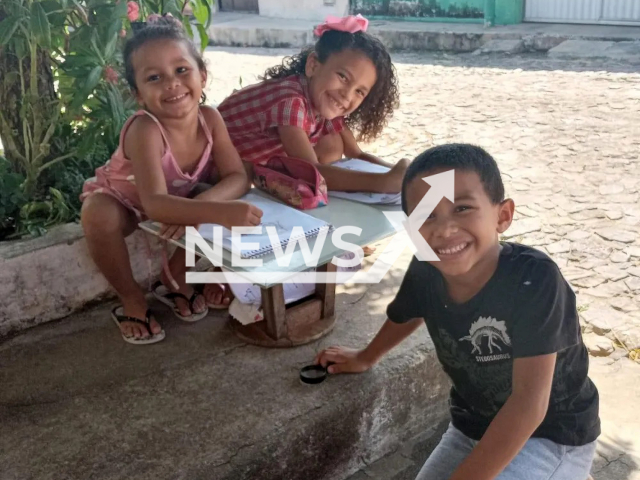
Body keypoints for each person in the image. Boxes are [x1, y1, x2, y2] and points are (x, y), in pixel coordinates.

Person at [315, 144, 600, 479]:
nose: (444, 229)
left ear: (503, 215)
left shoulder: (535, 280)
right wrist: (366, 356)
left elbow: (528, 405)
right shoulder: (426, 268)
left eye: (462, 208)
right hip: (472, 424)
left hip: (554, 433)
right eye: (426, 215)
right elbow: (407, 313)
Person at [80, 16, 262, 345]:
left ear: (202, 75)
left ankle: (175, 276)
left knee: (214, 193)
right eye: (154, 77)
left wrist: (201, 205)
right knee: (96, 213)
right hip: (126, 203)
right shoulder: (145, 129)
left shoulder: (211, 119)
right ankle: (132, 299)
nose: (172, 83)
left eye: (181, 70)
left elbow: (238, 177)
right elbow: (154, 204)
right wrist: (213, 212)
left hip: (176, 201)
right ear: (137, 94)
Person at [217, 14, 409, 195]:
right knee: (319, 159)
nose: (347, 95)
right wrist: (383, 182)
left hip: (240, 167)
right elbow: (312, 174)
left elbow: (356, 154)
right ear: (313, 66)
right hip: (209, 165)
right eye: (342, 77)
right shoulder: (290, 101)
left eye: (359, 91)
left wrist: (407, 176)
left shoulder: (322, 101)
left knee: (332, 142)